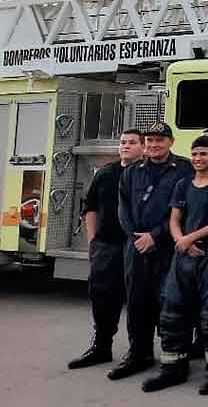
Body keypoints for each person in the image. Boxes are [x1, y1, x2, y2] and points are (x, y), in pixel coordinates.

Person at [142, 135, 208, 394]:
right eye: (194, 154)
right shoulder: (183, 183)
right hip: (183, 256)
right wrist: (180, 240)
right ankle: (173, 369)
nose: (198, 159)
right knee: (172, 312)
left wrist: (192, 238)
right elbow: (174, 218)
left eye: (204, 154)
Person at [111, 122, 192, 381]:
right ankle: (139, 354)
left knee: (171, 304)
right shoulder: (132, 171)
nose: (154, 145)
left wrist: (155, 236)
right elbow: (123, 208)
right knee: (137, 302)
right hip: (136, 247)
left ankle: (175, 359)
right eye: (150, 140)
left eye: (160, 140)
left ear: (171, 141)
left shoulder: (184, 169)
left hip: (168, 248)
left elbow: (183, 208)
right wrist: (137, 237)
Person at [68, 129, 145, 370]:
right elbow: (90, 208)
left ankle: (139, 353)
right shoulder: (105, 174)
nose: (126, 146)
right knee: (102, 296)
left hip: (136, 245)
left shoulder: (146, 174)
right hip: (107, 244)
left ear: (142, 147)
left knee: (138, 299)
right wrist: (93, 242)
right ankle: (101, 347)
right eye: (123, 142)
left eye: (132, 143)